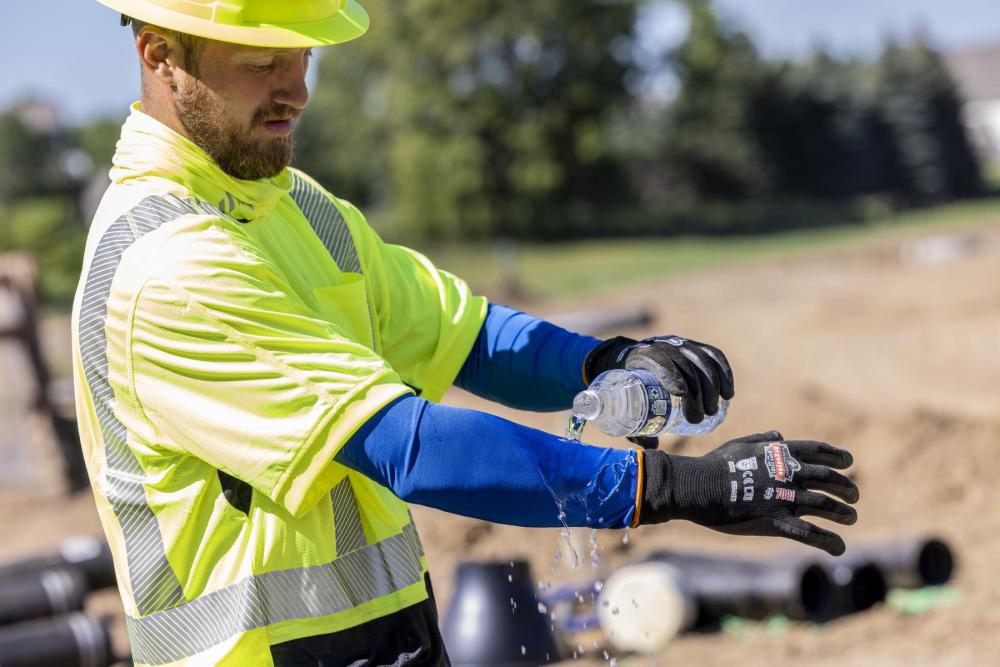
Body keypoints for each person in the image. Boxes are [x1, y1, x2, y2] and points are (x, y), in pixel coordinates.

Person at [73, 1, 859, 665]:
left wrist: (609, 360)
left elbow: (470, 336)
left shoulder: (293, 206)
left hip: (393, 633)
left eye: (303, 57)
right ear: (161, 56)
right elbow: (412, 447)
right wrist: (678, 488)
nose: (298, 90)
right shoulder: (167, 265)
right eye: (264, 64)